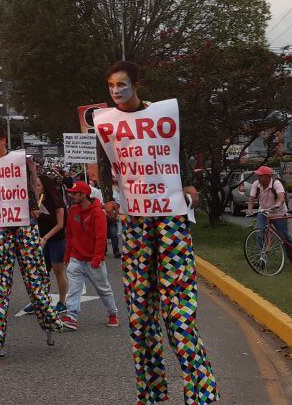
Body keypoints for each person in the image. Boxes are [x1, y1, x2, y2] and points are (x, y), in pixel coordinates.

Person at [96, 60, 218, 405]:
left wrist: (192, 187)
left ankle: (202, 394)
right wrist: (108, 198)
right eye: (111, 86)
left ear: (137, 85)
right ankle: (151, 392)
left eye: (122, 84)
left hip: (170, 220)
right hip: (135, 222)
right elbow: (105, 165)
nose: (116, 91)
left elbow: (176, 156)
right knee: (140, 312)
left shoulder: (164, 116)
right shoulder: (106, 125)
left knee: (179, 314)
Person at [0, 124, 62, 356]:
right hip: (0, 227)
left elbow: (32, 185)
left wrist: (31, 204)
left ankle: (49, 325)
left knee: (36, 280)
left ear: (3, 140)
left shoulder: (19, 159)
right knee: (0, 283)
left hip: (24, 225)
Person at [60, 181, 119, 330]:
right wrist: (67, 255)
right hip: (76, 258)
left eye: (74, 193)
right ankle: (71, 317)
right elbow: (69, 234)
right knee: (73, 289)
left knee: (103, 289)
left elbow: (101, 237)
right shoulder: (73, 210)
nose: (71, 195)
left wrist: (97, 258)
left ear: (83, 194)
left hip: (93, 260)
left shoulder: (98, 212)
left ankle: (113, 314)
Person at [22, 174, 68, 314]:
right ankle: (39, 300)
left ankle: (62, 301)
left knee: (58, 271)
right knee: (41, 272)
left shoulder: (56, 202)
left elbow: (60, 225)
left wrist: (46, 238)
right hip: (42, 240)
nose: (36, 187)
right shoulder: (38, 200)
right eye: (35, 185)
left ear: (45, 186)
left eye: (38, 185)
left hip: (56, 240)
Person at [247, 166, 292, 250]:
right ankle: (262, 256)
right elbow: (251, 198)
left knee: (284, 236)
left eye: (261, 176)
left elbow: (281, 197)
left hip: (279, 213)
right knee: (260, 233)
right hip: (264, 212)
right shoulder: (256, 184)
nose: (258, 177)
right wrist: (250, 209)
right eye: (258, 175)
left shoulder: (276, 183)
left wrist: (277, 204)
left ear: (268, 177)